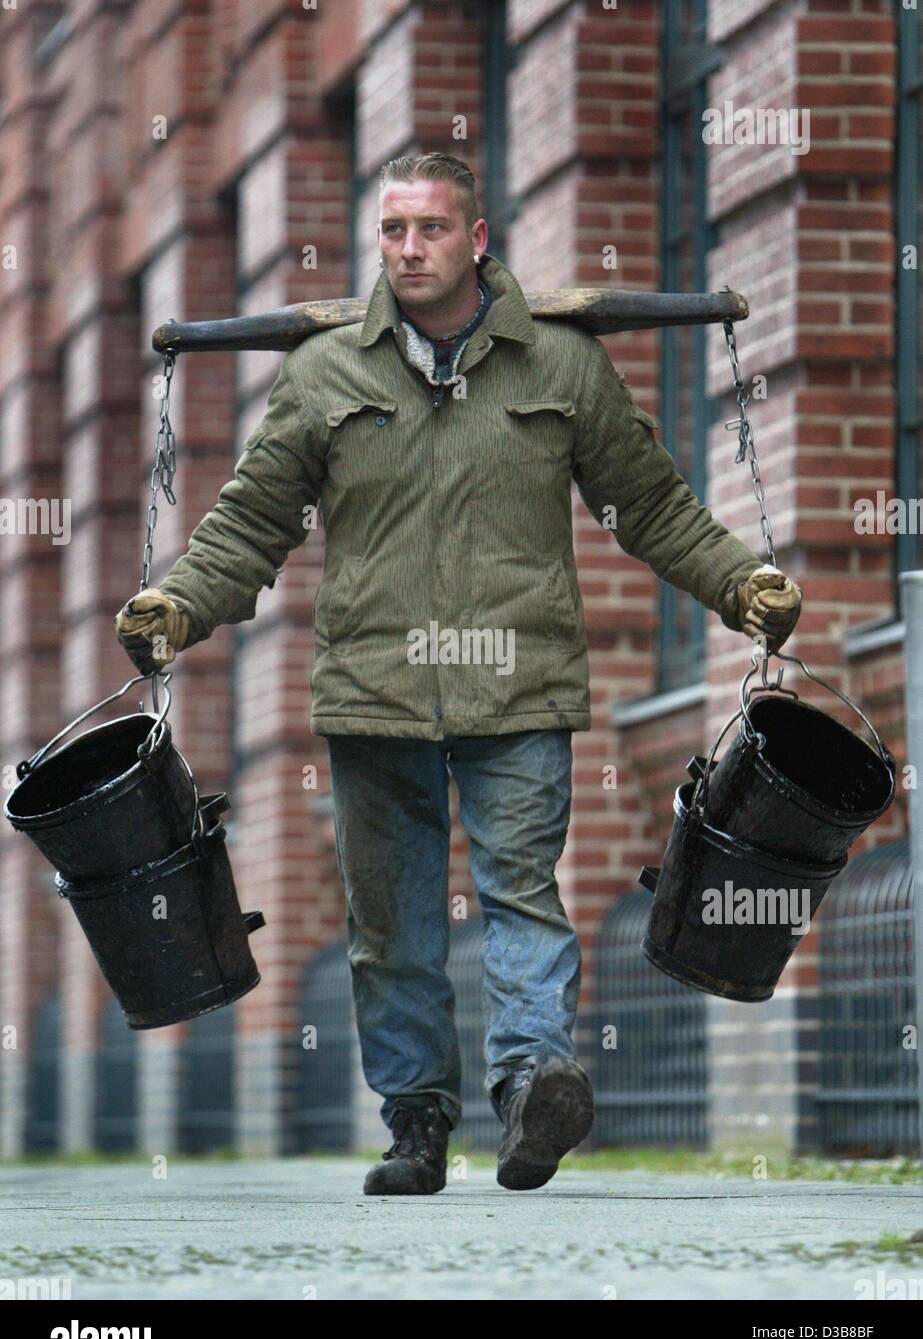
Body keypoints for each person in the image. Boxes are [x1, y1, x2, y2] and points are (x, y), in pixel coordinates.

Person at [116, 151, 802, 1196]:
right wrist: (175, 607)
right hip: (373, 694)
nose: (407, 249)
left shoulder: (559, 367)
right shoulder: (326, 373)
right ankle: (416, 1122)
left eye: (429, 229)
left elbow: (652, 506)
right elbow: (249, 525)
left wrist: (740, 585)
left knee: (520, 895)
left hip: (518, 688)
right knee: (390, 924)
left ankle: (532, 1084)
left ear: (475, 238)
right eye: (390, 231)